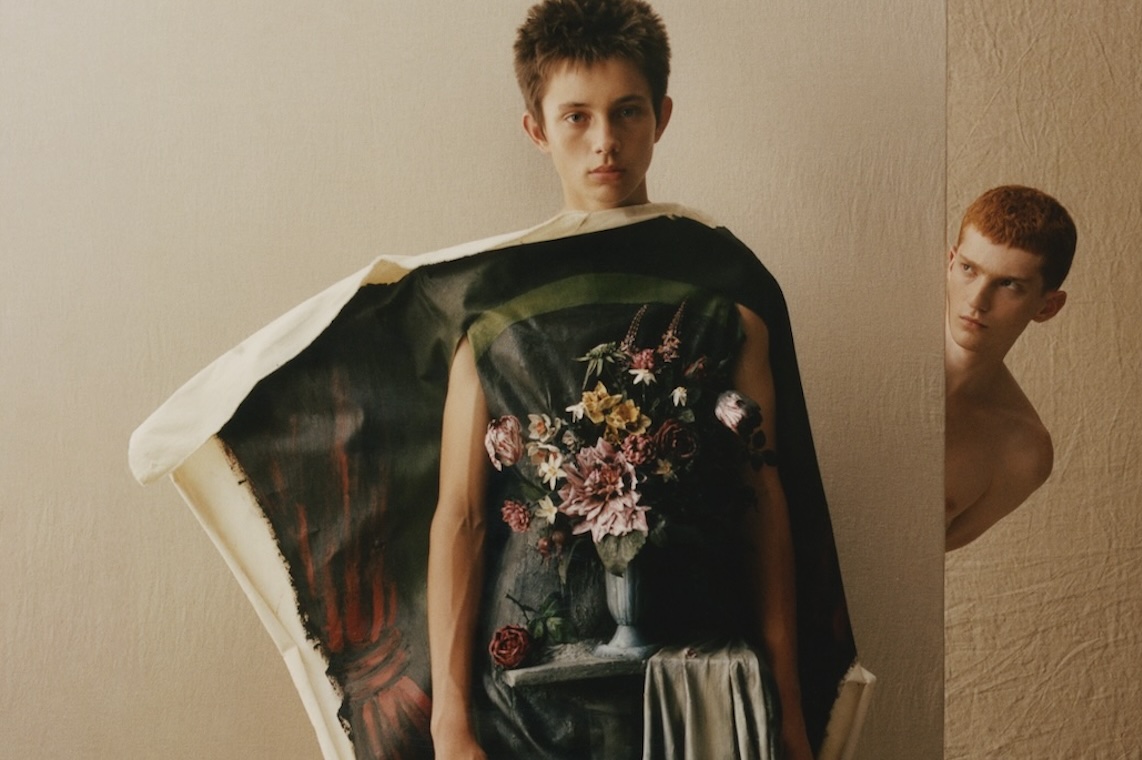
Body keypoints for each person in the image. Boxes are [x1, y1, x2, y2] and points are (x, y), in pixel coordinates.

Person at [426, 1, 851, 757]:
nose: (605, 142)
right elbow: (461, 516)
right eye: (576, 117)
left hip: (700, 684)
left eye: (627, 112)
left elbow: (762, 499)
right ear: (536, 129)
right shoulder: (491, 304)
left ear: (662, 116)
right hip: (525, 697)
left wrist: (785, 703)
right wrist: (448, 722)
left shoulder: (727, 289)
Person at [944, 185, 1077, 551]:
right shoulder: (866, 351)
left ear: (1047, 307)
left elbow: (920, 564)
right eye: (969, 269)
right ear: (950, 263)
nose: (977, 300)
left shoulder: (1022, 452)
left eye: (1008, 284)